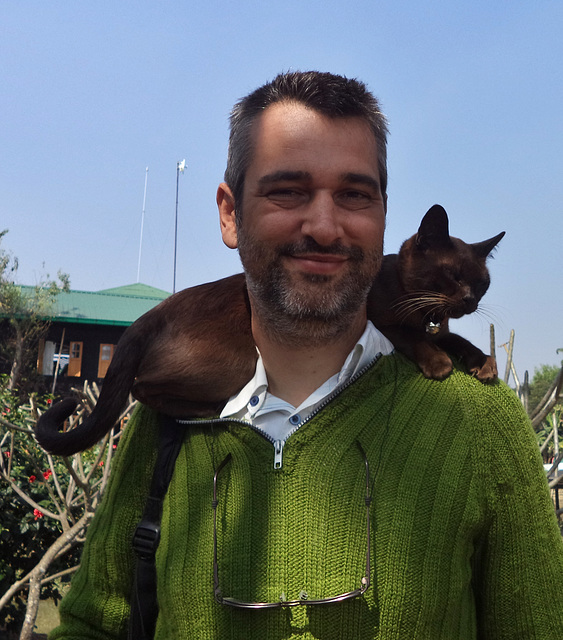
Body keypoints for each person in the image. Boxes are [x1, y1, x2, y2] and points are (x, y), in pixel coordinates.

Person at [49, 71, 563, 639]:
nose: (324, 226)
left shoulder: (483, 424)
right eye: (288, 190)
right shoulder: (169, 422)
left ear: (384, 215)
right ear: (229, 214)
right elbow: (91, 624)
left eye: (354, 194)